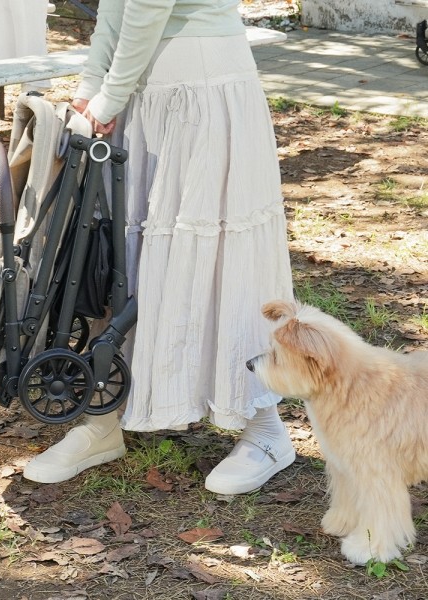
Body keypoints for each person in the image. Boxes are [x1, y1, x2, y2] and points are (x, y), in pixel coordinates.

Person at [23, 0, 295, 495]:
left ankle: (264, 426)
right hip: (145, 97)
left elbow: (148, 5)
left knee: (222, 256)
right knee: (123, 252)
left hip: (203, 90)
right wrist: (92, 88)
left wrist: (108, 96)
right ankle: (105, 410)